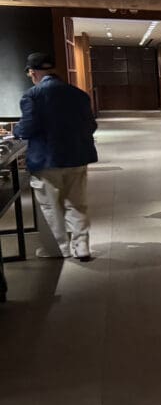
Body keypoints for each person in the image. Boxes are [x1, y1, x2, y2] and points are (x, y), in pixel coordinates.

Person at [13, 53, 98, 260]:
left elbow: (28, 128)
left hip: (46, 160)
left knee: (51, 206)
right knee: (77, 203)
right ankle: (82, 246)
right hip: (77, 156)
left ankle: (60, 249)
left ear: (32, 72)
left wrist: (16, 131)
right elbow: (91, 125)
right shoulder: (79, 94)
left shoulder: (32, 95)